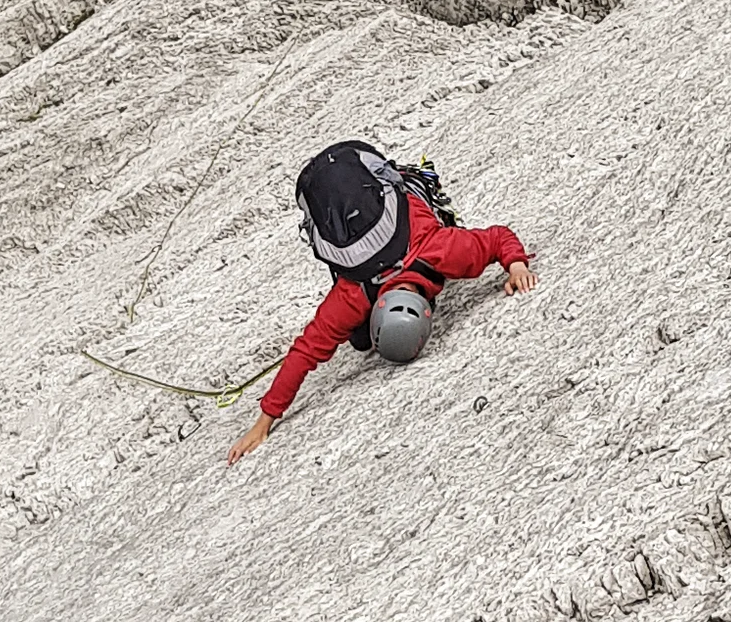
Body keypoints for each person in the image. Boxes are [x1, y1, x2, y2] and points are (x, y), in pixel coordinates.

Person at [226, 142, 535, 465]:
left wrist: (516, 265)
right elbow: (499, 238)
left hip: (382, 209)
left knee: (359, 339)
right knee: (359, 339)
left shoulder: (365, 289)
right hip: (389, 199)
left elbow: (306, 352)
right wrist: (516, 264)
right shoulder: (435, 252)